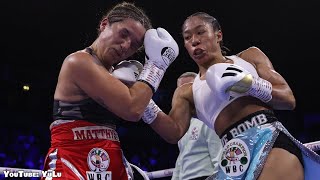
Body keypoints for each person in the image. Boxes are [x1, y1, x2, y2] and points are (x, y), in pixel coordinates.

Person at [141, 12, 320, 180]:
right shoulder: (186, 92)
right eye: (187, 38)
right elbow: (173, 133)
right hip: (232, 157)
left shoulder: (249, 58)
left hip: (270, 140)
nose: (194, 41)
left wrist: (249, 84)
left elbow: (288, 99)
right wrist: (144, 102)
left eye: (201, 32)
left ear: (218, 35)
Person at [41, 2, 179, 180]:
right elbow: (132, 110)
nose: (125, 46)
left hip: (110, 166)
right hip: (71, 165)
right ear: (104, 24)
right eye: (124, 34)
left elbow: (172, 134)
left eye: (134, 45)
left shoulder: (123, 79)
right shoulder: (78, 62)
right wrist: (156, 66)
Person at [171, 72, 222, 180]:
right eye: (181, 89)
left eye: (189, 88)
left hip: (204, 176)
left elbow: (218, 156)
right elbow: (182, 158)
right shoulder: (180, 125)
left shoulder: (208, 119)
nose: (185, 93)